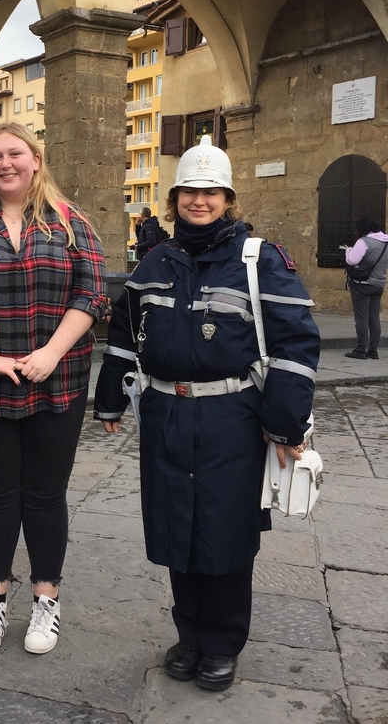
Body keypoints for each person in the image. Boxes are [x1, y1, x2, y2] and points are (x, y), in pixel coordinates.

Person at [94, 135, 320, 692]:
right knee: (177, 529)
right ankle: (189, 635)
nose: (199, 200)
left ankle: (221, 642)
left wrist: (285, 424)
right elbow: (124, 334)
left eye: (210, 191)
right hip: (166, 412)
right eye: (189, 191)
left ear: (228, 198)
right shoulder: (153, 261)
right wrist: (109, 398)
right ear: (174, 199)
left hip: (233, 419)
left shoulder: (259, 259)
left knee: (225, 532)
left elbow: (297, 342)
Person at [0, 122, 107, 655]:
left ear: (36, 160)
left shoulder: (71, 223)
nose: (5, 163)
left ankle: (46, 600)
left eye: (15, 154)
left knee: (46, 494)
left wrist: (51, 353)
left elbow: (93, 293)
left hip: (59, 379)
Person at [343, 217, 388, 360]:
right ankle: (373, 350)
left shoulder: (364, 242)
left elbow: (352, 260)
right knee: (374, 318)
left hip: (362, 284)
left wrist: (348, 251)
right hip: (378, 284)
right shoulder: (386, 243)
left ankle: (360, 350)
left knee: (361, 317)